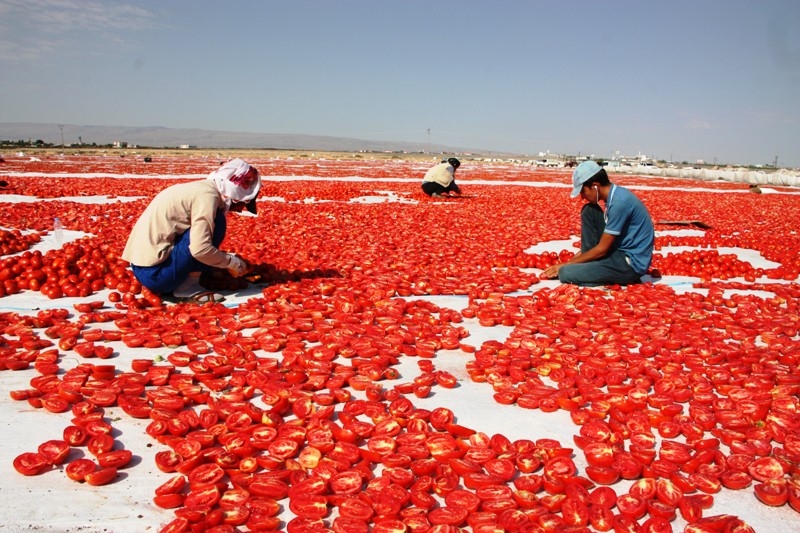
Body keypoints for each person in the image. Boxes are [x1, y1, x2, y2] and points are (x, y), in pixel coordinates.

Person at [122, 158, 260, 302]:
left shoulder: (200, 188)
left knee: (207, 230)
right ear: (235, 191)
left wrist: (221, 260)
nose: (239, 209)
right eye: (241, 204)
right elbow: (200, 249)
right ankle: (187, 288)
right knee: (217, 221)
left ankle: (185, 276)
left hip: (141, 269)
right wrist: (232, 262)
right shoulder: (207, 197)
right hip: (157, 276)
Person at [541, 160, 654, 287]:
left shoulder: (619, 203)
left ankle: (623, 277)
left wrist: (565, 265)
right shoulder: (615, 195)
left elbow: (602, 249)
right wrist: (574, 261)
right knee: (589, 210)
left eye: (583, 191)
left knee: (566, 273)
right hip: (618, 252)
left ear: (595, 186)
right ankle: (594, 266)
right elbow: (603, 244)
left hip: (629, 264)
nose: (582, 197)